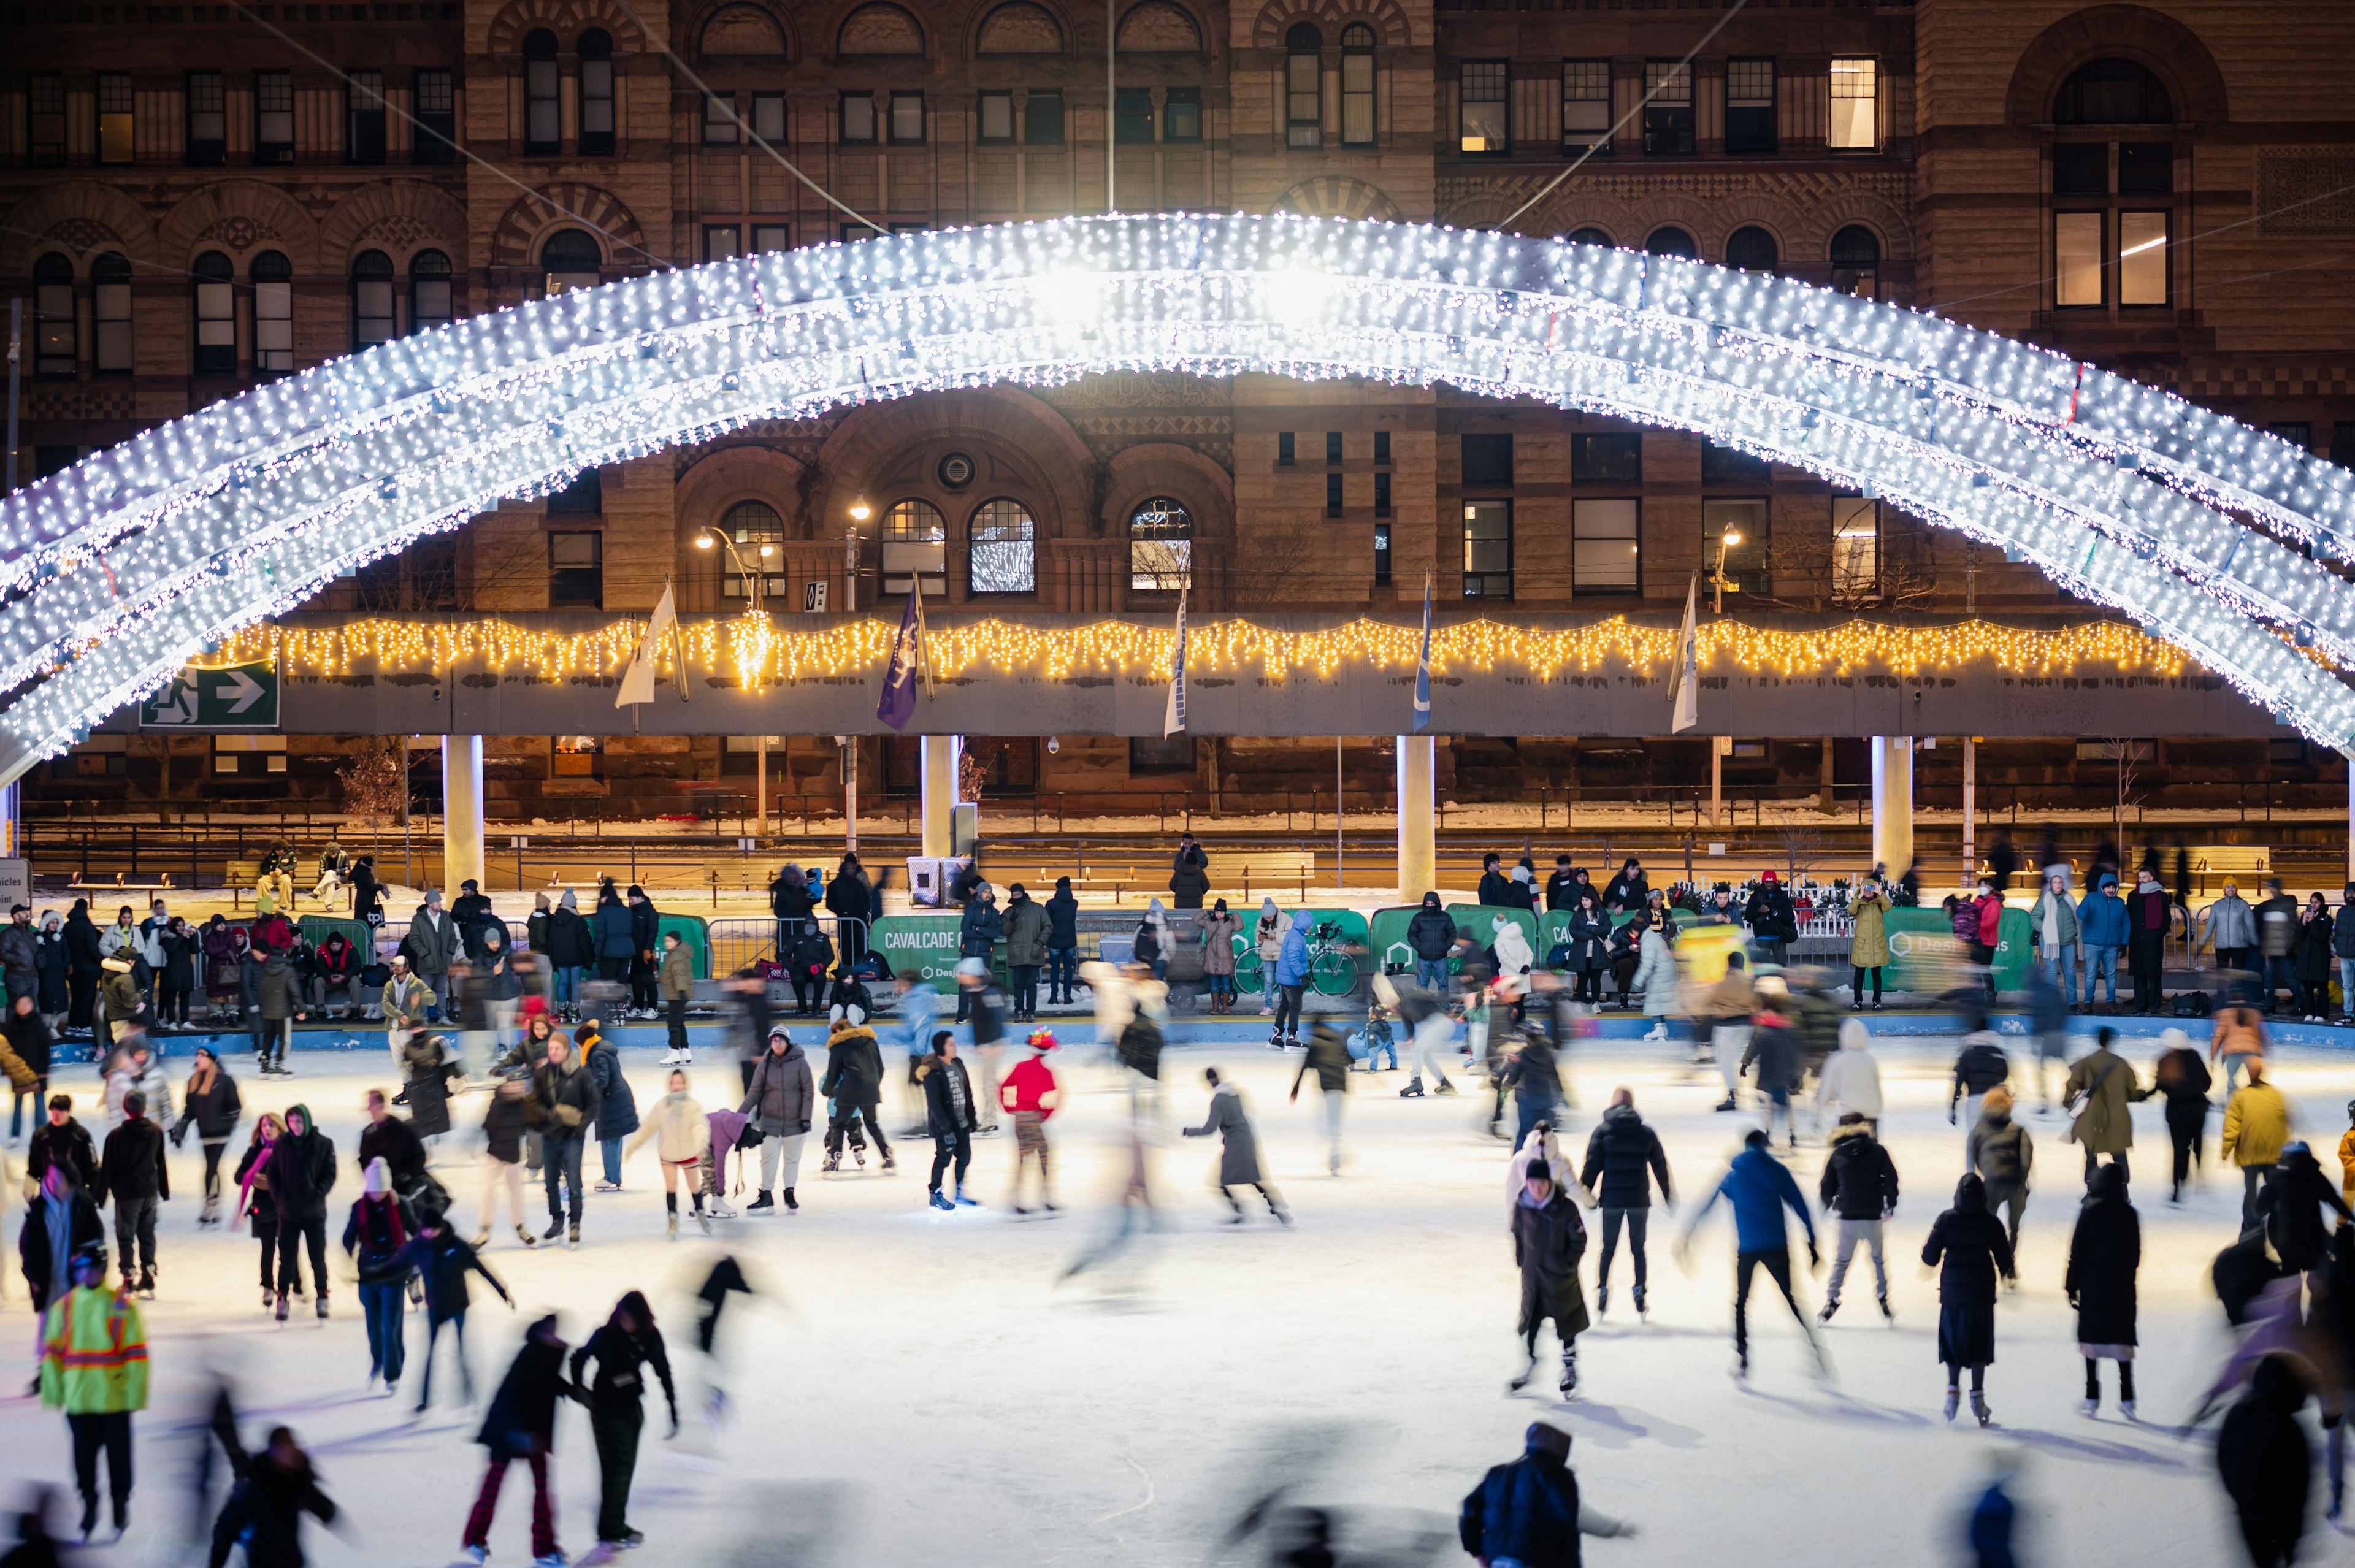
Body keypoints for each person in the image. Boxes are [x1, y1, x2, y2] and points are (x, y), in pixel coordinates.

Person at [1683, 1128, 1821, 1380]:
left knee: (1741, 1302)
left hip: (1748, 1248)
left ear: (1745, 1145)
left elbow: (1708, 1203)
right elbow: (1801, 1206)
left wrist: (1690, 1234)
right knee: (1791, 1298)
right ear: (1765, 1144)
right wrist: (1812, 1243)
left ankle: (1743, 1355)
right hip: (1777, 1245)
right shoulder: (1777, 1171)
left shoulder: (1734, 1175)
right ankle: (1814, 1348)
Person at [39, 1242, 145, 1542]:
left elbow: (137, 1355)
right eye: (83, 1269)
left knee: (119, 1458)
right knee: (84, 1460)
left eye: (93, 1269)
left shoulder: (121, 1307)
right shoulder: (66, 1307)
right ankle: (90, 1503)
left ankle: (120, 1504)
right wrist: (54, 1393)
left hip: (113, 1400)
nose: (88, 1275)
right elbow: (53, 1355)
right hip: (80, 1401)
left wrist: (133, 1396)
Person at [571, 1291, 677, 1558]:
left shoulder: (650, 1337)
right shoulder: (605, 1335)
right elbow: (579, 1357)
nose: (626, 1322)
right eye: (623, 1317)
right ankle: (611, 1529)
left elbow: (663, 1370)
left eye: (631, 1318)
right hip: (605, 1409)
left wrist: (673, 1406)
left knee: (624, 1469)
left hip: (632, 1409)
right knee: (615, 1468)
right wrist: (581, 1390)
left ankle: (613, 1526)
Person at [460, 1315, 569, 1567]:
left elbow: (551, 1382)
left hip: (532, 1433)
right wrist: (520, 1431)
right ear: (539, 1333)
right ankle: (475, 1538)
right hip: (508, 1432)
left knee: (542, 1490)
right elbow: (511, 1393)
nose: (554, 1335)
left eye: (556, 1331)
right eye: (550, 1331)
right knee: (493, 1487)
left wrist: (578, 1394)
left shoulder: (547, 1356)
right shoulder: (531, 1355)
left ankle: (545, 1547)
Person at [1459, 1421, 1636, 1567]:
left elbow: (1470, 1510)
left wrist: (1478, 1552)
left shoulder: (1498, 1474)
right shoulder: (1556, 1474)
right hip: (1539, 1559)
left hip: (1499, 1559)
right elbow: (1573, 1515)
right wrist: (1613, 1529)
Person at [392, 1209, 512, 1414]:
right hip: (435, 1308)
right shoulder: (418, 1246)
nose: (430, 1234)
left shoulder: (457, 1245)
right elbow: (394, 1265)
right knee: (429, 1354)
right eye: (427, 1230)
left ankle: (470, 1395)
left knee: (462, 1353)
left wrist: (502, 1291)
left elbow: (482, 1269)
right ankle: (424, 1401)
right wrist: (370, 1275)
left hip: (458, 1307)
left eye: (433, 1230)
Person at [1923, 1174, 2016, 1426]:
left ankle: (1953, 1392)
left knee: (1953, 1342)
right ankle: (1978, 1398)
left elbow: (1930, 1257)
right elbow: (2005, 1259)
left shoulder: (1946, 1220)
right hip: (1982, 1294)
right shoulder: (1991, 1222)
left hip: (1953, 1295)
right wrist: (2007, 1272)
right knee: (1979, 1344)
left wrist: (1933, 1255)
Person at [2062, 1161, 2143, 1420]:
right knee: (2121, 1340)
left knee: (2092, 1342)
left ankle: (2092, 1397)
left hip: (2093, 1285)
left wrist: (2071, 1286)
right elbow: (2135, 1253)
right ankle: (2128, 1397)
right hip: (2121, 1287)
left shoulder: (2089, 1212)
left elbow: (2077, 1253)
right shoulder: (2130, 1215)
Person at [1581, 1087, 1671, 1317]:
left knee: (1607, 1249)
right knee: (1638, 1249)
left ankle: (1602, 1289)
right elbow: (1660, 1164)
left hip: (1611, 1200)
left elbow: (1592, 1166)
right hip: (1638, 1200)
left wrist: (1585, 1194)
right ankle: (1639, 1289)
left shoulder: (1602, 1131)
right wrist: (1667, 1193)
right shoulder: (1646, 1133)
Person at [2218, 1355, 2313, 1568]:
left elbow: (2224, 1458)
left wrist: (2240, 1496)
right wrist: (2293, 1539)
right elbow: (2299, 1485)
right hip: (2278, 1520)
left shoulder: (2238, 1413)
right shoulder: (2289, 1427)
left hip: (2248, 1516)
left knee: (2262, 1561)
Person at [1507, 1165, 1588, 1396]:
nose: (1536, 1188)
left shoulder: (1566, 1208)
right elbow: (1516, 1231)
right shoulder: (1522, 1206)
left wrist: (1566, 1265)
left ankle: (1570, 1367)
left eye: (1541, 1183)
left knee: (1568, 1323)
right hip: (1534, 1279)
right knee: (1531, 1322)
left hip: (1560, 1279)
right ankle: (1531, 1362)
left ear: (1550, 1183)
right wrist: (1522, 1258)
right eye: (1532, 1184)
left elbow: (1579, 1240)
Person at [341, 1157, 415, 1394]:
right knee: (374, 1324)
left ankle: (393, 1373)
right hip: (369, 1272)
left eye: (382, 1191)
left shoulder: (401, 1204)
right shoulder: (359, 1207)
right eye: (374, 1191)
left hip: (394, 1271)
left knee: (391, 1324)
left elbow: (416, 1229)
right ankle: (378, 1360)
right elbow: (350, 1234)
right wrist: (349, 1252)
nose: (378, 1196)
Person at [1818, 1113, 1900, 1323]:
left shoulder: (1837, 1153)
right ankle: (1883, 1296)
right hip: (1872, 1214)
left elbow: (1827, 1185)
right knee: (1878, 1260)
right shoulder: (1879, 1152)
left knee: (1842, 1261)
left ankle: (1832, 1299)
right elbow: (1891, 1179)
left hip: (1848, 1215)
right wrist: (1891, 1202)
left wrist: (1830, 1202)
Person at [1181, 1066, 1286, 1223]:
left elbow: (1209, 1129)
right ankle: (1275, 1205)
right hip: (1247, 1139)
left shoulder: (1218, 1101)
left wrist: (1187, 1131)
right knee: (1252, 1177)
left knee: (1221, 1181)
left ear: (1208, 1082)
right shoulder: (1235, 1093)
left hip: (1235, 1143)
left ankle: (1239, 1211)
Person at [19, 1160, 104, 1344]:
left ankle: (75, 1367)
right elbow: (27, 1246)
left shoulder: (83, 1205)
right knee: (50, 1335)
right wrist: (33, 1278)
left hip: (76, 1281)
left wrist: (91, 1271)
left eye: (58, 1178)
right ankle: (48, 1369)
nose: (53, 1182)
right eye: (50, 1178)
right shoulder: (40, 1208)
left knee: (77, 1333)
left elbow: (96, 1240)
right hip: (48, 1282)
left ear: (70, 1180)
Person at [264, 1104, 335, 1322]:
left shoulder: (323, 1144)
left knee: (317, 1258)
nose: (295, 1126)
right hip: (289, 1213)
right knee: (286, 1259)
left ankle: (322, 1295)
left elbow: (329, 1173)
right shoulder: (282, 1146)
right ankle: (283, 1297)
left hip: (314, 1213)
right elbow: (272, 1174)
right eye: (292, 1122)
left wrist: (317, 1193)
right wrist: (279, 1198)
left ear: (306, 1121)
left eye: (299, 1121)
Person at [95, 1090, 167, 1299]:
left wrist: (100, 1197)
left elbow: (107, 1168)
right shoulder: (155, 1132)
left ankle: (128, 1279)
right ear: (144, 1108)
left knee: (126, 1237)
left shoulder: (116, 1136)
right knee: (147, 1235)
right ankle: (149, 1274)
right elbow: (160, 1163)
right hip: (150, 1193)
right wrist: (164, 1189)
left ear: (125, 1109)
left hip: (127, 1195)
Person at [626, 1068, 711, 1240]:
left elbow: (700, 1126)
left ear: (686, 1084)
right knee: (671, 1188)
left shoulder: (692, 1106)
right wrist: (634, 1145)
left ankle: (700, 1212)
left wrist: (700, 1142)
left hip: (688, 1153)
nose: (677, 1086)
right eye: (673, 1083)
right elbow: (648, 1128)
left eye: (680, 1082)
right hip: (668, 1153)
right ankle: (673, 1220)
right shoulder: (662, 1106)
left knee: (694, 1188)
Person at [532, 1032, 599, 1247]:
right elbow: (535, 1103)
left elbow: (593, 1104)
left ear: (566, 1050)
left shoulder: (581, 1075)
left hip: (572, 1137)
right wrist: (544, 1118)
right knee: (550, 1183)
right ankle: (557, 1220)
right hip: (550, 1137)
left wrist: (580, 1129)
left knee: (573, 1183)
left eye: (556, 1049)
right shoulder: (542, 1075)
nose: (552, 1053)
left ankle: (575, 1223)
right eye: (550, 1049)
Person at [739, 1025, 812, 1215]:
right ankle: (766, 1195)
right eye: (774, 1040)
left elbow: (808, 1092)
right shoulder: (765, 1064)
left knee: (792, 1160)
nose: (777, 1043)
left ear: (787, 1042)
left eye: (780, 1040)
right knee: (768, 1159)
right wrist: (738, 1116)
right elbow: (754, 1093)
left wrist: (806, 1118)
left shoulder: (800, 1062)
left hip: (795, 1122)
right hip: (770, 1121)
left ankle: (789, 1193)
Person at [2257, 1140, 2353, 1275]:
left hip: (2288, 1241)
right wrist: (2350, 1217)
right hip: (2313, 1239)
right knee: (2317, 1283)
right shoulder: (2315, 1176)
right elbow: (2333, 1199)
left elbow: (2260, 1208)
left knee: (2290, 1282)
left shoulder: (2277, 1178)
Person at [2062, 1025, 2140, 1185]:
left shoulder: (2086, 1063)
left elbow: (2072, 1084)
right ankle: (2122, 1189)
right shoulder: (2122, 1064)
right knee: (2119, 1155)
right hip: (2117, 1117)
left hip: (2091, 1117)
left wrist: (2068, 1102)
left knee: (2091, 1154)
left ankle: (2091, 1188)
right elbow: (2132, 1091)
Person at [817, 1009, 891, 1176]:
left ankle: (835, 1157)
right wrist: (872, 1086)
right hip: (871, 1089)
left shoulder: (839, 1046)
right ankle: (887, 1154)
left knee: (839, 1125)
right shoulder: (871, 1042)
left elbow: (833, 1073)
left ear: (837, 1031)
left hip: (850, 1090)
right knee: (872, 1123)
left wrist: (827, 1091)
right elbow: (880, 1068)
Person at [2223, 1057, 2292, 1233]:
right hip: (2274, 1152)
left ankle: (2250, 1228)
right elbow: (2285, 1121)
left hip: (2250, 1152)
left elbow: (2232, 1126)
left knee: (2251, 1192)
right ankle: (2278, 1225)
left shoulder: (2241, 1096)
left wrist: (2226, 1150)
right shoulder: (2276, 1094)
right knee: (2275, 1190)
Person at [1967, 1085, 2034, 1258]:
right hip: (2015, 1183)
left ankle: (1985, 1258)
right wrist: (2022, 1178)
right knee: (2014, 1227)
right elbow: (2026, 1159)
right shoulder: (2019, 1131)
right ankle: (2009, 1262)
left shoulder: (1979, 1130)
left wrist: (1982, 1174)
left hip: (1992, 1182)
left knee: (1986, 1222)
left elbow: (1972, 1157)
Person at [1001, 1028, 1061, 1214]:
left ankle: (1016, 1198)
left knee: (1023, 1157)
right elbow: (1056, 1095)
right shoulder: (1046, 1072)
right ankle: (1045, 1197)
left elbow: (1003, 1086)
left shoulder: (1020, 1067)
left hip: (1020, 1118)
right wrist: (1045, 1114)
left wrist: (1010, 1109)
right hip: (1034, 1117)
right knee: (1043, 1154)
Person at [919, 1032, 980, 1210]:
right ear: (941, 1048)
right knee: (943, 1159)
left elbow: (967, 1092)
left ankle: (959, 1192)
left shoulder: (958, 1063)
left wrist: (972, 1117)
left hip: (962, 1123)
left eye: (954, 1043)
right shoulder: (933, 1072)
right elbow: (935, 1104)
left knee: (964, 1157)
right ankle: (935, 1195)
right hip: (945, 1126)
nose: (955, 1047)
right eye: (951, 1044)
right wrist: (946, 1129)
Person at [2152, 1030, 2213, 1204]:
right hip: (2197, 1107)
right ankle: (2200, 1174)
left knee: (2179, 1149)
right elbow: (2208, 1082)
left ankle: (2177, 1188)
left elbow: (2160, 1086)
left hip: (2176, 1110)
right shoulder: (2195, 1057)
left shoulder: (2165, 1061)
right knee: (2197, 1140)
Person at [1739, 993, 1804, 1149]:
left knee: (1769, 1105)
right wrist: (1796, 1074)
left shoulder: (1762, 1026)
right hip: (1784, 1074)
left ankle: (1768, 1134)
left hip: (1768, 1074)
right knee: (1786, 1105)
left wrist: (1745, 1064)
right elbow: (1794, 1053)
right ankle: (1792, 1134)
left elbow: (1753, 1046)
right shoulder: (1789, 1026)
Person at [578, 1020, 638, 1194]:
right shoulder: (601, 1049)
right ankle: (614, 1176)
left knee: (609, 1138)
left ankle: (612, 1178)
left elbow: (602, 1080)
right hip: (615, 1098)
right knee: (612, 1139)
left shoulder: (597, 1054)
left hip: (612, 1101)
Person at [232, 1115, 285, 1310]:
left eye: (271, 1125)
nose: (268, 1129)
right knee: (268, 1249)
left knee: (288, 1249)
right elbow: (238, 1177)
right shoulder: (255, 1151)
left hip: (283, 1206)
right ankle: (268, 1286)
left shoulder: (286, 1150)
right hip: (262, 1207)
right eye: (264, 1126)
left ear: (280, 1128)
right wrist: (252, 1177)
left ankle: (291, 1285)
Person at [1704, 952, 1756, 1112]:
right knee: (1756, 1057)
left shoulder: (1724, 983)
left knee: (1725, 1061)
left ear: (1729, 964)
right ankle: (1763, 1091)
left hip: (1727, 1027)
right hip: (1749, 1025)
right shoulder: (1750, 983)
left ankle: (1733, 1094)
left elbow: (1710, 1001)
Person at [6, 995, 55, 1141]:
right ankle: (15, 1133)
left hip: (37, 1072)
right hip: (19, 1072)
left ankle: (41, 1132)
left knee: (39, 1104)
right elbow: (8, 1051)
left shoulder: (39, 1025)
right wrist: (8, 1070)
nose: (23, 1007)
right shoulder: (13, 1025)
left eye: (26, 1004)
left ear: (32, 1006)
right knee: (18, 1104)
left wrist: (43, 1071)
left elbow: (45, 1049)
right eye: (20, 1004)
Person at [2254, 877, 2302, 1017]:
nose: (2270, 890)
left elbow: (2292, 927)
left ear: (2277, 888)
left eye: (2271, 887)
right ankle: (2270, 1005)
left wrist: (2288, 946)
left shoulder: (2287, 904)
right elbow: (2269, 930)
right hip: (2271, 949)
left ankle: (2300, 1002)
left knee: (2289, 977)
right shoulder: (2270, 905)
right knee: (2269, 979)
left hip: (2283, 949)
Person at [2211, 1001, 2269, 1101]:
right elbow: (2262, 1034)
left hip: (2233, 1052)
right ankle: (2256, 1103)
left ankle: (2233, 1104)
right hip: (2253, 1051)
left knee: (2232, 1082)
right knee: (2255, 1081)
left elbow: (2218, 1036)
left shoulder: (2225, 1014)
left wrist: (2213, 1056)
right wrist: (2266, 1049)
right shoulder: (2254, 1013)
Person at [2208, 879, 2259, 984]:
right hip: (2221, 946)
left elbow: (2250, 925)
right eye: (2228, 887)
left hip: (2239, 946)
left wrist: (2255, 942)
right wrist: (2201, 943)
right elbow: (2210, 925)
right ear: (2224, 889)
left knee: (2239, 975)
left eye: (2233, 887)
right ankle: (2221, 996)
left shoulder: (2243, 905)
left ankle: (2239, 997)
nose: (2230, 889)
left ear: (2237, 889)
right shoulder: (2217, 905)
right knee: (2222, 975)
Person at [1744, 871, 1798, 969]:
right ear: (1763, 882)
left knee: (1781, 968)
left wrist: (1777, 914)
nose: (1769, 884)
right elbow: (1748, 916)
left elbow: (1790, 917)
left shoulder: (1782, 896)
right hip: (1762, 936)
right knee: (1761, 968)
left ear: (1775, 882)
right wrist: (1759, 911)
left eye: (1771, 882)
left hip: (1779, 936)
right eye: (1767, 882)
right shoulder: (1756, 896)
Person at [1197, 898, 1241, 1017]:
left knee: (1226, 984)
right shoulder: (1208, 922)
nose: (1219, 914)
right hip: (1212, 959)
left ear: (1225, 913)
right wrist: (1206, 912)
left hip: (1225, 959)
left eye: (1221, 912)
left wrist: (1234, 914)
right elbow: (1196, 920)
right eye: (1217, 912)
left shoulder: (1229, 924)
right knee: (1214, 985)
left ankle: (1225, 1006)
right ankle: (1215, 1006)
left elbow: (1240, 926)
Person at [1043, 876, 1080, 1007]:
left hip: (1055, 942)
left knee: (1054, 970)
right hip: (1069, 941)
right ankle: (1068, 996)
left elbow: (1047, 921)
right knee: (1068, 970)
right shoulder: (1074, 903)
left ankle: (1054, 996)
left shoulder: (1051, 904)